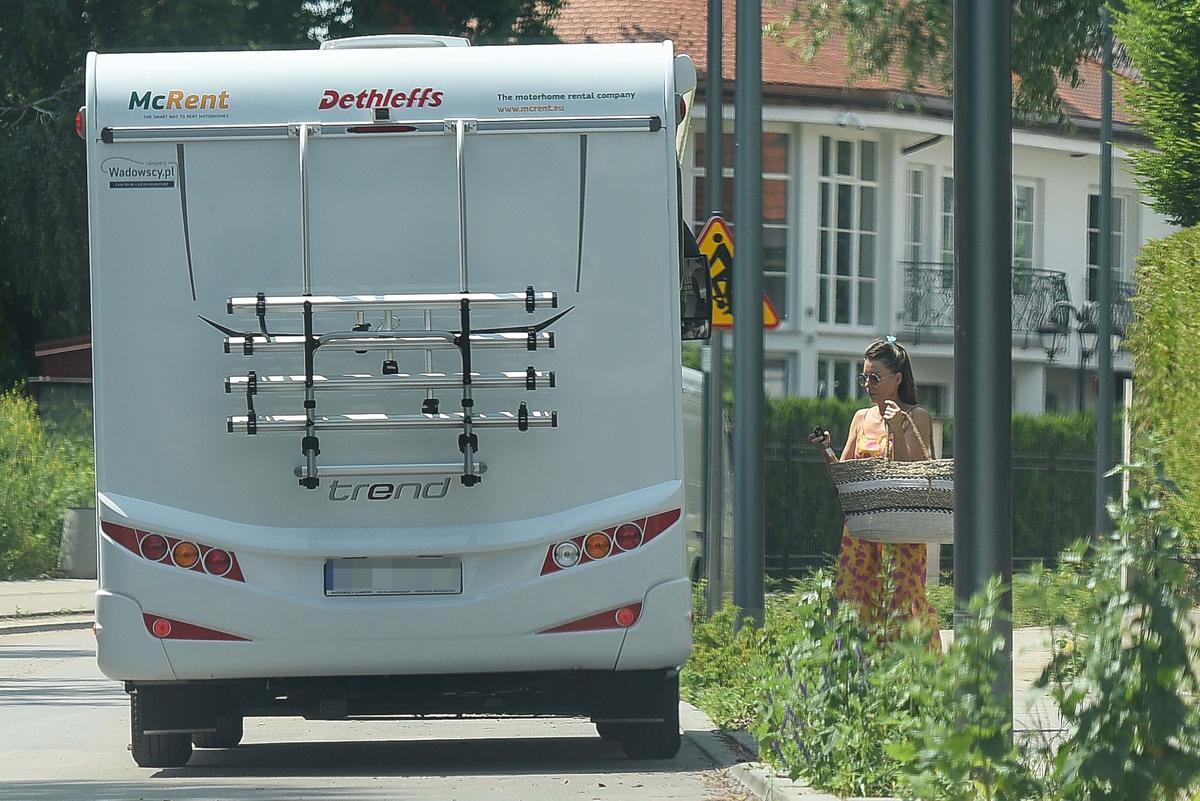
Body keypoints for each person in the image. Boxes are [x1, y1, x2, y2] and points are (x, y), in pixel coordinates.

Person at [809, 337, 941, 646]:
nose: (867, 384)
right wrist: (826, 450)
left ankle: (914, 668)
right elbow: (843, 475)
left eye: (874, 377)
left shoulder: (916, 416)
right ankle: (860, 668)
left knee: (903, 600)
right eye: (864, 377)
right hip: (862, 530)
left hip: (902, 531)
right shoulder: (861, 418)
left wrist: (896, 430)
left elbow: (917, 472)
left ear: (897, 379)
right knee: (854, 596)